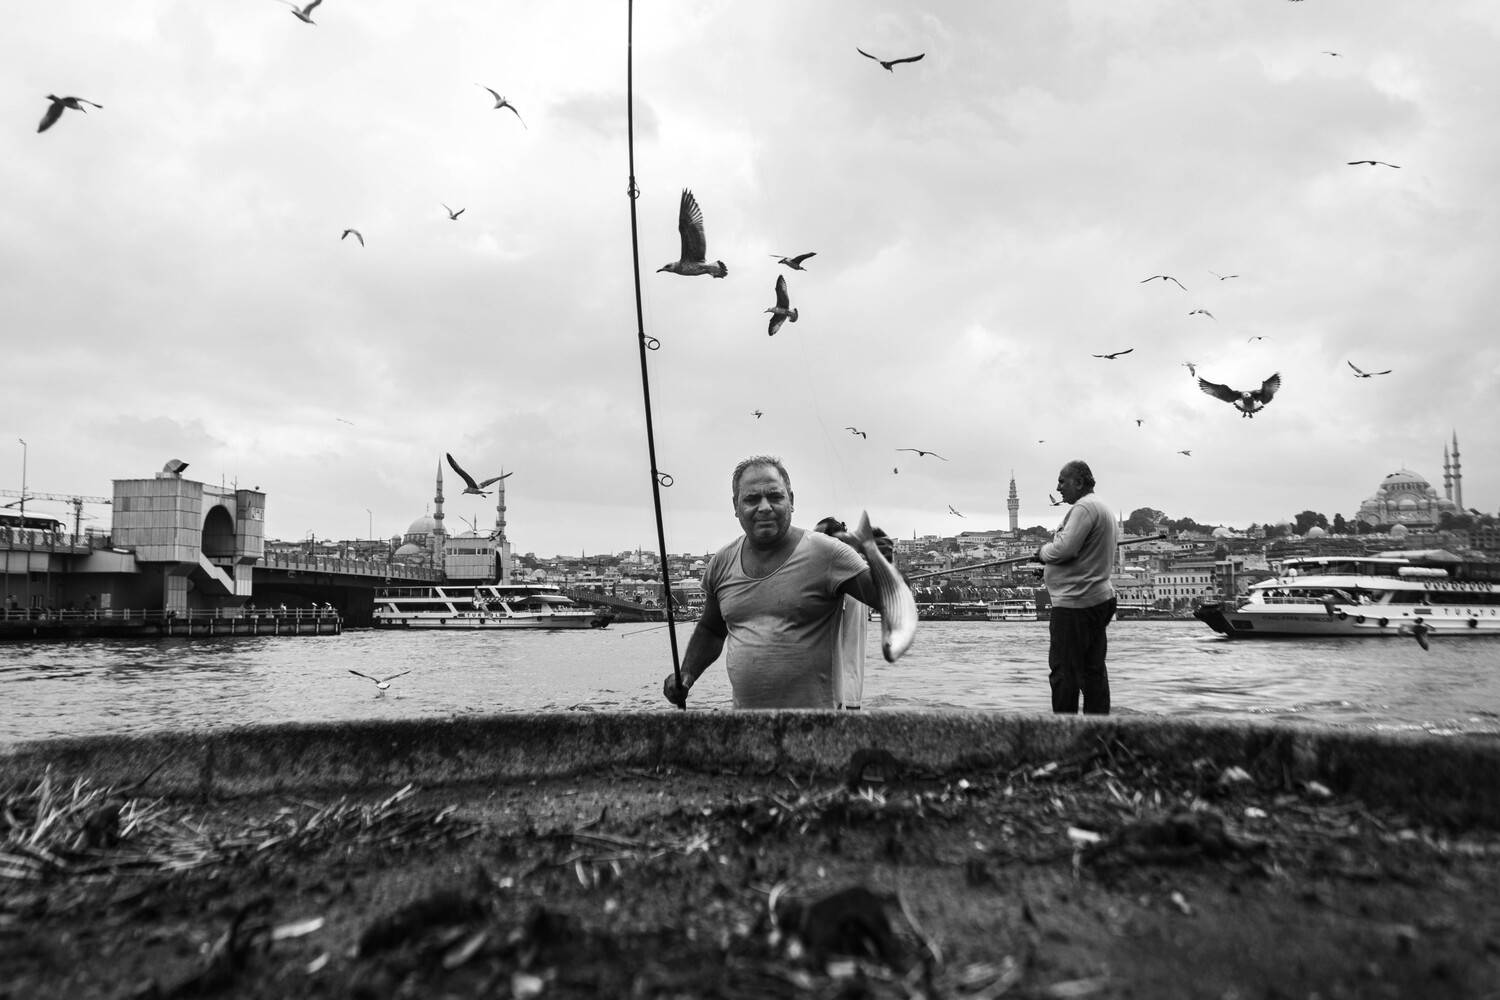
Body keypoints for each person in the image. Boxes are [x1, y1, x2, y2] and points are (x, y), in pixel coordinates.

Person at [663, 456, 890, 709]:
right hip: (747, 725)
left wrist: (882, 562)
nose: (764, 507)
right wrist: (687, 674)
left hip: (817, 725)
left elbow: (888, 600)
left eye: (774, 496)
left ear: (791, 501)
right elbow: (711, 630)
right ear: (736, 506)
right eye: (751, 499)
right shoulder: (722, 562)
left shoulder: (829, 553)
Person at [1034, 460, 1117, 714]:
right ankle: (1097, 730)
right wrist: (1049, 570)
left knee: (1064, 673)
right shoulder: (1101, 507)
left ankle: (1064, 729)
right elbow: (1085, 557)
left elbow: (1065, 548)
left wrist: (1042, 553)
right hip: (1097, 598)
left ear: (1079, 482)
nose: (1058, 487)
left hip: (1076, 605)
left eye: (1062, 481)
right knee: (1093, 672)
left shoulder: (1084, 508)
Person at [814, 516, 895, 710]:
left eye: (817, 540)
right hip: (851, 693)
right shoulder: (857, 573)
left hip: (836, 697)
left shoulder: (838, 577)